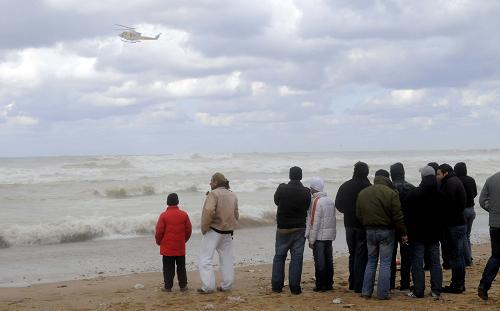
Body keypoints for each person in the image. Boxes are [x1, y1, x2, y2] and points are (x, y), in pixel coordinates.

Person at [356, 170, 408, 300]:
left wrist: (367, 224)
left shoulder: (363, 193)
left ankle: (366, 291)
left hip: (369, 231)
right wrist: (403, 232)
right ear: (387, 179)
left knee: (371, 261)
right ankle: (382, 293)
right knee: (385, 263)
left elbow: (359, 214)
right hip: (386, 231)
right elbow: (398, 215)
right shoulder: (391, 193)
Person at [404, 166, 444, 298]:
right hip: (434, 234)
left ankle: (418, 290)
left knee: (417, 262)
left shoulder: (414, 193)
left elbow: (407, 214)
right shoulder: (440, 194)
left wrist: (407, 232)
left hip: (417, 234)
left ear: (423, 177)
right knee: (435, 262)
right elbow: (444, 214)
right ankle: (436, 290)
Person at [272, 166, 311, 295]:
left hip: (283, 228)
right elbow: (307, 206)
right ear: (301, 176)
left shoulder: (282, 188)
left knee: (279, 257)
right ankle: (295, 288)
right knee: (297, 258)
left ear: (290, 175)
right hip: (299, 228)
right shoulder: (306, 191)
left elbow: (276, 201)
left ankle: (277, 286)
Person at [198, 173, 239, 294]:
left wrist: (204, 228)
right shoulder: (232, 194)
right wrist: (231, 226)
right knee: (227, 258)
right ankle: (226, 285)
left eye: (211, 181)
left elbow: (208, 212)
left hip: (214, 230)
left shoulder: (213, 194)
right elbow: (236, 214)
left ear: (216, 182)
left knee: (205, 258)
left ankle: (208, 286)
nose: (210, 183)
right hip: (228, 231)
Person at [335, 162, 371, 293]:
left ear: (354, 171)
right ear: (367, 173)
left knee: (352, 253)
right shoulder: (368, 186)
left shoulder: (346, 186)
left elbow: (338, 205)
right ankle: (359, 284)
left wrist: (349, 211)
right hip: (363, 225)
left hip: (349, 223)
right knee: (362, 255)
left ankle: (352, 282)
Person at [437, 164, 467, 294]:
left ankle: (457, 285)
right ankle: (460, 284)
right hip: (460, 223)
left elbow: (446, 204)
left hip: (454, 224)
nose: (437, 177)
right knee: (458, 255)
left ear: (445, 173)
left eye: (438, 174)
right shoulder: (455, 181)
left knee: (456, 256)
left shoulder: (449, 183)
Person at [155, 193, 192, 292]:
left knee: (168, 268)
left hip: (167, 248)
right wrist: (184, 240)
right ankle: (183, 286)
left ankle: (168, 287)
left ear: (167, 202)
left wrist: (159, 242)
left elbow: (159, 231)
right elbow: (189, 230)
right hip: (180, 247)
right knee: (181, 267)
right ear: (177, 202)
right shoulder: (184, 215)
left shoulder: (163, 216)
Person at [306, 177, 336, 292]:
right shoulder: (329, 200)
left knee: (320, 261)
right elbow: (332, 219)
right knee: (329, 260)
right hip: (329, 236)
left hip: (319, 237)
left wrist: (311, 240)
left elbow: (314, 222)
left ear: (313, 189)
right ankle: (329, 283)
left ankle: (320, 284)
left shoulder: (316, 202)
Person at [389, 162, 415, 291]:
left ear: (391, 174)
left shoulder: (389, 189)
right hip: (408, 226)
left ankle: (390, 283)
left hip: (391, 226)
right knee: (406, 256)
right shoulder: (412, 188)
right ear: (403, 172)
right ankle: (405, 283)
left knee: (390, 255)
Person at [477, 171, 500, 300]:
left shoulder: (491, 179)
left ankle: (484, 285)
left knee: (496, 256)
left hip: (495, 224)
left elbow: (482, 201)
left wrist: (493, 211)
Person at [454, 162, 478, 266]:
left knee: (462, 236)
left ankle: (468, 259)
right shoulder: (471, 179)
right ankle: (469, 256)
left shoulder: (457, 181)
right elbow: (475, 193)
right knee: (467, 235)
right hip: (472, 210)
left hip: (463, 210)